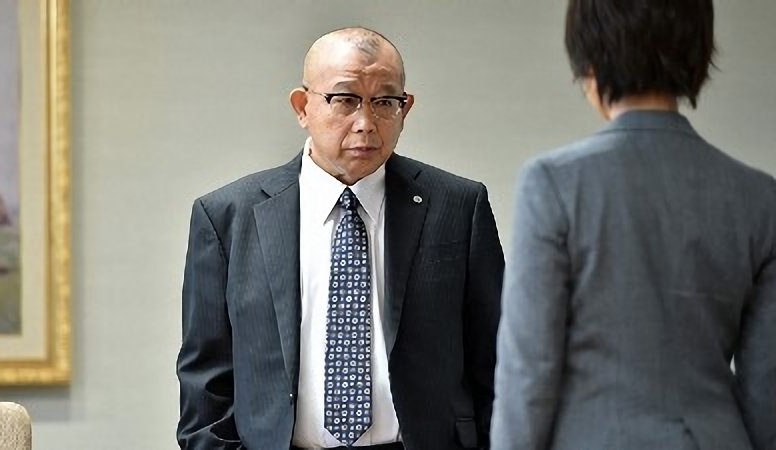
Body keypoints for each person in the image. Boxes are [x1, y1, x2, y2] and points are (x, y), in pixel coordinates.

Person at [177, 27, 504, 450]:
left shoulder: (458, 207)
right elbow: (206, 385)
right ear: (302, 106)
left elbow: (497, 363)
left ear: (405, 108)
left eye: (384, 102)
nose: (366, 124)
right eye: (345, 99)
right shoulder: (228, 216)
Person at [491, 1, 776, 449]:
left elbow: (529, 369)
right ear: (698, 52)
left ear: (591, 59)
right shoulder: (759, 197)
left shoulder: (552, 183)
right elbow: (766, 389)